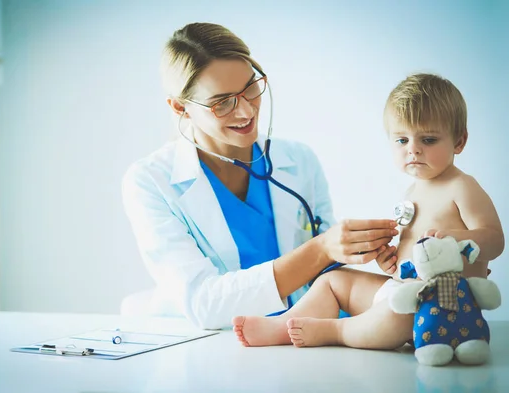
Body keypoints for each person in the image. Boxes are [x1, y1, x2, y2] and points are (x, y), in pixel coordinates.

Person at [121, 22, 398, 330]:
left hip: (302, 333)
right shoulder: (150, 182)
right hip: (218, 346)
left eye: (250, 87)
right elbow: (204, 303)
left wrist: (366, 251)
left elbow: (325, 274)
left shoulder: (299, 160)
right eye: (222, 103)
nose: (246, 112)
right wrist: (320, 249)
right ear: (180, 108)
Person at [233, 73, 505, 348]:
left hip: (442, 307)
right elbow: (411, 264)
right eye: (402, 140)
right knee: (334, 280)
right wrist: (391, 261)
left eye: (428, 140)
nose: (414, 150)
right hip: (403, 292)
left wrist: (452, 239)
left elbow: (495, 241)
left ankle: (336, 331)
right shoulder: (412, 192)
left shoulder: (462, 187)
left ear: (459, 141)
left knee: (401, 312)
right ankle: (284, 324)